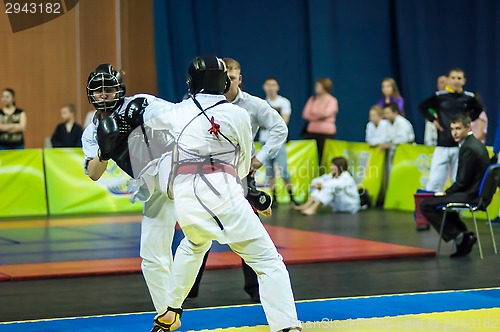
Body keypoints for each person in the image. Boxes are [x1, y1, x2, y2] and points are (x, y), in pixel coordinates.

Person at [138, 55, 301, 332]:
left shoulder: (177, 111)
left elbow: (147, 118)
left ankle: (171, 310)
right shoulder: (238, 114)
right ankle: (286, 327)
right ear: (225, 81)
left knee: (193, 245)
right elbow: (242, 163)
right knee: (268, 262)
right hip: (222, 189)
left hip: (186, 196)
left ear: (191, 82)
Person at [81, 64, 176, 332]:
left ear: (119, 89)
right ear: (91, 94)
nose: (104, 95)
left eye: (109, 89)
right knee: (151, 255)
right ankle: (167, 317)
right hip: (152, 187)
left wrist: (145, 120)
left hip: (177, 169)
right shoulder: (92, 130)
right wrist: (105, 151)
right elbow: (93, 173)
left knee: (209, 232)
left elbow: (178, 116)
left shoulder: (140, 103)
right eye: (98, 91)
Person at [420, 114, 490, 258]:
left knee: (426, 205)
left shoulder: (468, 148)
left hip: (471, 195)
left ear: (468, 127)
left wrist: (446, 193)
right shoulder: (475, 144)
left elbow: (462, 182)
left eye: (458, 128)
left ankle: (460, 237)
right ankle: (463, 236)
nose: (454, 133)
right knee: (442, 205)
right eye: (452, 129)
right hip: (476, 193)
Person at [419, 68, 483, 192]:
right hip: (443, 143)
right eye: (453, 78)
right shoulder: (440, 96)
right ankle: (429, 208)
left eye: (459, 78)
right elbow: (422, 107)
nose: (456, 81)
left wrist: (468, 121)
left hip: (461, 146)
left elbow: (478, 110)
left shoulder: (468, 97)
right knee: (434, 180)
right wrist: (433, 120)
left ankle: (455, 210)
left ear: (464, 81)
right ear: (447, 80)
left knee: (457, 180)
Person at [260, 76, 295, 205]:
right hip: (265, 140)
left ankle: (291, 196)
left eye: (273, 85)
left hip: (279, 141)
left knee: (283, 169)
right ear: (264, 87)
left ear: (277, 87)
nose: (271, 88)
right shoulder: (262, 103)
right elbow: (259, 124)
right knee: (269, 170)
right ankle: (274, 198)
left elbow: (284, 121)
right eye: (268, 85)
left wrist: (268, 123)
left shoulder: (284, 102)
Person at [293, 156, 360, 215]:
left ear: (340, 167)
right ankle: (307, 205)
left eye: (333, 165)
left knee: (330, 189)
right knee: (323, 187)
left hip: (349, 205)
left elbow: (337, 186)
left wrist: (323, 185)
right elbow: (320, 179)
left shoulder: (346, 177)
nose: (331, 167)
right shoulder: (332, 175)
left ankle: (313, 208)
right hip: (339, 206)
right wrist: (318, 184)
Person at [302, 77, 338, 163]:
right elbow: (305, 114)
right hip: (311, 132)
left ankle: (324, 174)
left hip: (326, 134)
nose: (316, 88)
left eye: (318, 86)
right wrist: (319, 116)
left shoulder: (332, 100)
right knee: (309, 156)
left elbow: (326, 113)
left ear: (325, 87)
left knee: (324, 158)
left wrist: (313, 115)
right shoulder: (312, 99)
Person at [424, 75, 448, 146]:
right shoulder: (435, 98)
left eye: (444, 82)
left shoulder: (451, 97)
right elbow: (428, 110)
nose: (443, 84)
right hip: (435, 127)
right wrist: (434, 118)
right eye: (440, 82)